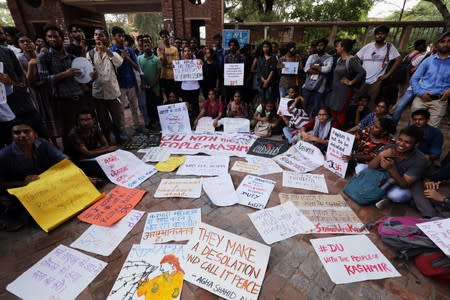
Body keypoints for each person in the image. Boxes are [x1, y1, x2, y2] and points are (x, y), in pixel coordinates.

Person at [0, 120, 67, 230]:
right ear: (12, 137)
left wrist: (78, 176)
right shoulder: (3, 155)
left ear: (35, 134)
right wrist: (22, 183)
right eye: (17, 133)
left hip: (45, 184)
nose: (22, 135)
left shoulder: (43, 143)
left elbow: (63, 159)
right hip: (21, 190)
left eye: (26, 131)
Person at [37, 24, 87, 143]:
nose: (52, 39)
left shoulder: (72, 57)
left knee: (83, 128)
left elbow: (80, 77)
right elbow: (44, 79)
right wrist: (64, 74)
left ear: (61, 37)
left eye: (55, 36)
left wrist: (89, 76)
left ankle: (87, 153)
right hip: (62, 100)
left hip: (79, 96)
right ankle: (73, 157)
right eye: (49, 37)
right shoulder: (44, 57)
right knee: (68, 132)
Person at [0, 27, 45, 143]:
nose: (3, 36)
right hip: (6, 115)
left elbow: (24, 83)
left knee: (41, 137)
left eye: (2, 33)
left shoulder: (7, 52)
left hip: (24, 105)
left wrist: (11, 83)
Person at [368, 126, 429, 208]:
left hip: (399, 184)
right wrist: (380, 155)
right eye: (400, 139)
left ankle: (384, 195)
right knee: (360, 168)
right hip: (384, 179)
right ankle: (382, 194)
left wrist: (392, 168)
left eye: (407, 142)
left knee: (397, 195)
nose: (401, 144)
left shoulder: (420, 159)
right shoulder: (390, 147)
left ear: (416, 144)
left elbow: (404, 184)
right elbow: (370, 167)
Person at [17, 33, 59, 143]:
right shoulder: (20, 59)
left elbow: (50, 74)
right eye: (22, 42)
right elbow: (27, 80)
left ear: (33, 43)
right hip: (35, 93)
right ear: (19, 45)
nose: (26, 44)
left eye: (28, 41)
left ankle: (58, 142)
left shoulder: (41, 55)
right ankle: (50, 143)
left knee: (54, 115)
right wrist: (31, 65)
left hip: (49, 90)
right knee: (42, 117)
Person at [88, 27, 127, 145]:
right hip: (98, 92)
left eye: (101, 35)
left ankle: (119, 138)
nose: (98, 37)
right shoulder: (89, 54)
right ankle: (107, 140)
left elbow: (119, 62)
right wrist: (91, 76)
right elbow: (87, 72)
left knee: (117, 118)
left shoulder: (112, 53)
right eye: (96, 34)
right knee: (102, 120)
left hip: (112, 92)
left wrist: (105, 50)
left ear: (106, 38)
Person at [409, 31, 450, 128]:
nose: (445, 44)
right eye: (443, 41)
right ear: (437, 44)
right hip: (421, 98)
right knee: (414, 127)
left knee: (430, 131)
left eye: (449, 41)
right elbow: (414, 79)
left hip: (439, 101)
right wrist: (420, 92)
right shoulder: (428, 60)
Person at [356, 25, 401, 108]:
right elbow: (356, 57)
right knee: (358, 101)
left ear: (386, 35)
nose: (379, 36)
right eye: (377, 34)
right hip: (363, 79)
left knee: (371, 103)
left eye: (382, 34)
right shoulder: (368, 46)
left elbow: (398, 59)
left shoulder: (389, 47)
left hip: (376, 81)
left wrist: (387, 74)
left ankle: (368, 119)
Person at [110, 26, 145, 133]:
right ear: (114, 37)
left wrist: (128, 58)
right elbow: (112, 69)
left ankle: (137, 125)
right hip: (119, 85)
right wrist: (121, 58)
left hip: (131, 83)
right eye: (119, 36)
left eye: (123, 36)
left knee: (134, 107)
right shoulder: (111, 51)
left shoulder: (129, 50)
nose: (121, 38)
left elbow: (136, 67)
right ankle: (122, 130)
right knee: (120, 110)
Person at [326, 39, 366, 127]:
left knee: (340, 112)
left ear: (343, 48)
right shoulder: (339, 59)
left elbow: (362, 72)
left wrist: (351, 82)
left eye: (338, 46)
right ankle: (332, 131)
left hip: (344, 91)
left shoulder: (351, 60)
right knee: (333, 110)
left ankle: (336, 132)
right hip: (335, 91)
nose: (336, 48)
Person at [67, 109, 117, 178]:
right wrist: (107, 150)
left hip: (91, 156)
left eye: (88, 119)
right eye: (82, 120)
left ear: (93, 120)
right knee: (102, 169)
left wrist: (91, 153)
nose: (86, 123)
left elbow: (106, 144)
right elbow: (87, 154)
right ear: (77, 121)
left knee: (115, 159)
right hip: (77, 161)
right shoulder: (74, 134)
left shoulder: (95, 128)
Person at [302, 38, 333, 117]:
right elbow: (306, 69)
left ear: (325, 46)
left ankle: (312, 121)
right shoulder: (312, 56)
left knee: (316, 107)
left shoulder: (329, 58)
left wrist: (313, 67)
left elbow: (328, 69)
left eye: (321, 45)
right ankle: (303, 121)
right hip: (308, 85)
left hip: (320, 87)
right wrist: (320, 69)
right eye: (317, 46)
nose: (319, 47)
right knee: (305, 104)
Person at [138, 38, 162, 130]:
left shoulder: (156, 59)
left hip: (155, 87)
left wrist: (151, 85)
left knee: (156, 104)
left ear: (151, 46)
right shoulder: (139, 58)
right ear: (142, 47)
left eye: (148, 45)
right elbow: (139, 72)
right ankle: (150, 122)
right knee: (147, 105)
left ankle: (157, 121)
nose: (147, 47)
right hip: (144, 87)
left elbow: (158, 74)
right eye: (145, 46)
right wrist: (143, 83)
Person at [157, 30, 180, 99]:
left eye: (166, 36)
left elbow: (176, 63)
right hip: (164, 77)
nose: (164, 38)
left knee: (176, 95)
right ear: (160, 38)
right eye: (162, 37)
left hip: (174, 76)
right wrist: (163, 53)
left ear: (168, 37)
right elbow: (162, 63)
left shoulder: (175, 49)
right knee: (168, 95)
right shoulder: (159, 49)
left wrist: (167, 65)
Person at [180, 46, 201, 119]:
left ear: (191, 52)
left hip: (195, 87)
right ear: (183, 53)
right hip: (185, 87)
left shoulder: (197, 61)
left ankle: (197, 120)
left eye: (188, 50)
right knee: (186, 105)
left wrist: (201, 63)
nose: (187, 52)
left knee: (195, 105)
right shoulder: (179, 63)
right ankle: (187, 121)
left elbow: (201, 68)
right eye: (185, 51)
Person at [223, 38, 244, 103]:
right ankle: (228, 110)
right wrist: (225, 76)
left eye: (234, 45)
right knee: (228, 97)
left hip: (238, 82)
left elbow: (241, 69)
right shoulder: (226, 57)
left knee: (237, 97)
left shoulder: (241, 57)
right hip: (228, 82)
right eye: (230, 45)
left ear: (237, 46)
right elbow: (225, 69)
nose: (232, 47)